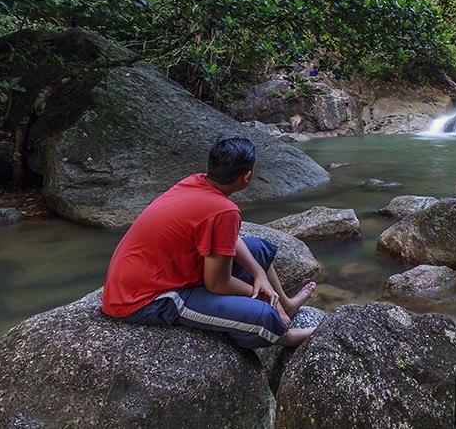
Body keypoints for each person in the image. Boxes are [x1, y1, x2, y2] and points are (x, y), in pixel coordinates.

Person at [101, 137, 316, 348]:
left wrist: (260, 274)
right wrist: (263, 296)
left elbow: (229, 240)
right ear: (247, 176)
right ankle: (287, 337)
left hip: (154, 275)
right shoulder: (224, 210)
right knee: (263, 314)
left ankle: (287, 305)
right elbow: (217, 284)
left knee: (257, 249)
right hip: (143, 299)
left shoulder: (196, 182)